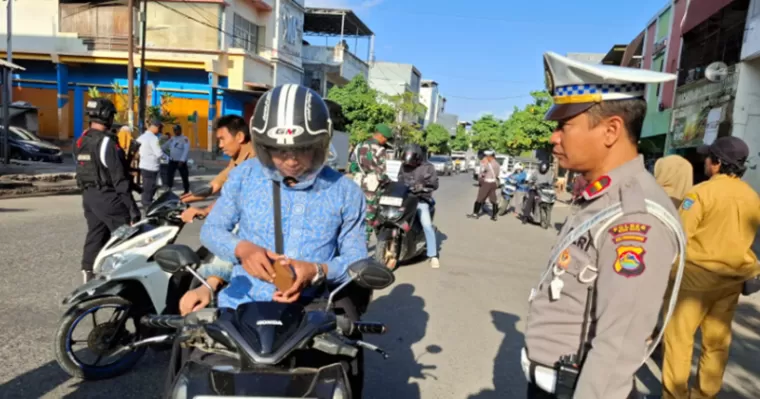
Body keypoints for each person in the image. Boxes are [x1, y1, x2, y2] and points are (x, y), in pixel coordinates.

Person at [178, 84, 370, 394]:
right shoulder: (243, 177)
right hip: (240, 309)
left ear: (322, 142)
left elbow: (356, 260)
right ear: (264, 145)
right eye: (280, 150)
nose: (291, 160)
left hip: (310, 313)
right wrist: (241, 249)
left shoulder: (346, 192)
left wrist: (317, 270)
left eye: (303, 148)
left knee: (345, 379)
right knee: (190, 375)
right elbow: (212, 231)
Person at [523, 51, 685, 399]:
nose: (554, 137)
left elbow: (618, 347)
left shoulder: (634, 217)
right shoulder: (601, 199)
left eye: (564, 126)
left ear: (611, 130)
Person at [661, 137, 760, 399]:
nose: (705, 162)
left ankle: (674, 396)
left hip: (695, 282)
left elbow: (680, 237)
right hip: (731, 282)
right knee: (716, 345)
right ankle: (705, 395)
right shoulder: (753, 197)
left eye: (708, 158)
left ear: (717, 163)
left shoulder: (700, 193)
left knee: (679, 342)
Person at [75, 98, 141, 283]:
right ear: (106, 116)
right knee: (127, 236)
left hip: (89, 195)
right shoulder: (107, 143)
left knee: (96, 233)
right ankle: (122, 278)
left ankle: (88, 273)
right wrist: (133, 210)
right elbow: (119, 180)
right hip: (108, 197)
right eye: (112, 115)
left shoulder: (82, 140)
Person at [180, 115, 255, 222]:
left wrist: (206, 210)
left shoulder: (254, 161)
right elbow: (215, 185)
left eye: (222, 139)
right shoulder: (237, 159)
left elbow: (232, 196)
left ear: (239, 137)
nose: (220, 145)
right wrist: (180, 200)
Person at [398, 144, 440, 269]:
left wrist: (423, 187)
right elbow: (399, 180)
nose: (408, 163)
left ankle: (433, 255)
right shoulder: (403, 166)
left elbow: (435, 184)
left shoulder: (428, 167)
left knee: (427, 225)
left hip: (420, 200)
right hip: (405, 199)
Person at [351, 123, 394, 242]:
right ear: (380, 136)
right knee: (369, 216)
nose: (385, 141)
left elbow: (353, 166)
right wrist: (388, 182)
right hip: (372, 188)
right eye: (385, 138)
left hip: (358, 184)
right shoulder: (380, 150)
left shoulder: (359, 146)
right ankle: (363, 245)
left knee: (355, 214)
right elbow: (381, 174)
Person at [136, 120, 164, 208]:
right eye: (159, 129)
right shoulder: (153, 138)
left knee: (146, 186)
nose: (160, 131)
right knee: (150, 187)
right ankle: (147, 206)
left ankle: (146, 203)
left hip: (143, 166)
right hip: (152, 167)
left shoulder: (142, 137)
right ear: (156, 127)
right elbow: (159, 153)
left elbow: (137, 151)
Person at [467, 150, 501, 221]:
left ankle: (475, 214)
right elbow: (497, 174)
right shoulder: (497, 164)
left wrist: (480, 179)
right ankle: (494, 216)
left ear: (488, 156)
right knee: (493, 199)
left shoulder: (485, 163)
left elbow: (482, 173)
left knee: (479, 199)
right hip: (493, 183)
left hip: (486, 183)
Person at [164, 124, 191, 194]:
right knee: (169, 175)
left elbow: (186, 150)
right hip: (172, 160)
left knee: (184, 176)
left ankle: (186, 191)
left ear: (180, 130)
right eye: (174, 130)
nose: (175, 131)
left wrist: (182, 160)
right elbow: (165, 146)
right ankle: (169, 189)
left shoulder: (185, 139)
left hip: (180, 162)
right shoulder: (172, 138)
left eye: (176, 130)